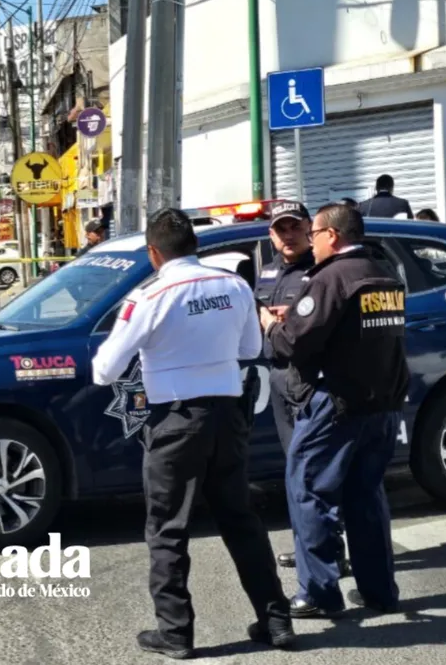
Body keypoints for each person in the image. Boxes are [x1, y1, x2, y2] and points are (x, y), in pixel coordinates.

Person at [93, 208, 295, 659]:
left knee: (168, 528)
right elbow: (250, 349)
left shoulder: (149, 298)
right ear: (195, 247)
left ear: (153, 253)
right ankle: (276, 619)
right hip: (228, 415)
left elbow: (105, 371)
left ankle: (176, 633)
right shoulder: (234, 286)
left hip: (176, 421)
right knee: (241, 520)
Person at [259, 203, 409, 618]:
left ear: (332, 236)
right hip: (382, 404)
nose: (310, 241)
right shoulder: (384, 273)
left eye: (315, 234)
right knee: (366, 497)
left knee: (307, 490)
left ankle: (319, 594)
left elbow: (291, 344)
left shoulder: (330, 279)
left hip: (336, 404)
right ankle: (380, 592)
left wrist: (271, 325)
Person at [253, 201, 351, 576]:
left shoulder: (323, 267)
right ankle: (308, 545)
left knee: (318, 470)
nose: (288, 235)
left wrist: (284, 319)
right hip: (280, 376)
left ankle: (331, 550)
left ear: (310, 229)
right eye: (281, 229)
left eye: (295, 227)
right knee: (295, 468)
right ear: (271, 235)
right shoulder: (269, 269)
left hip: (313, 378)